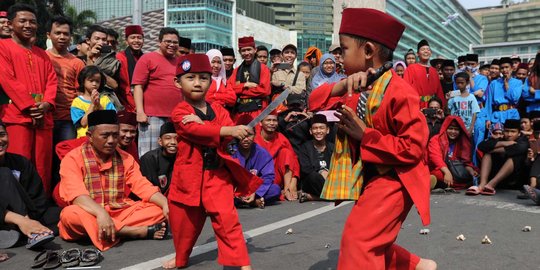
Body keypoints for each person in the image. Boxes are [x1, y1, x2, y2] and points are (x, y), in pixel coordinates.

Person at [308, 8, 435, 269]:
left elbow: (413, 148)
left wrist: (365, 136)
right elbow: (313, 102)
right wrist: (341, 85)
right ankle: (418, 266)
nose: (338, 57)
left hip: (396, 179)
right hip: (371, 178)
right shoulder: (356, 86)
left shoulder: (400, 91)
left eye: (343, 49)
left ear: (367, 51)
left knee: (359, 241)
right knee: (370, 240)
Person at [167, 53, 260, 269]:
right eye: (191, 78)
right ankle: (181, 258)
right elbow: (194, 130)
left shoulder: (218, 109)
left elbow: (226, 132)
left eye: (204, 78)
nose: (198, 83)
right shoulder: (180, 111)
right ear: (177, 83)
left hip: (216, 175)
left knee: (227, 219)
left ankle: (242, 264)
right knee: (184, 225)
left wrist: (233, 131)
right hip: (189, 177)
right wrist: (221, 128)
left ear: (211, 80)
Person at [57, 110, 169, 251]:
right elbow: (77, 195)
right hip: (89, 212)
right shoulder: (73, 158)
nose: (111, 141)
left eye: (115, 135)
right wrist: (101, 213)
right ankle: (131, 231)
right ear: (90, 136)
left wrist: (165, 204)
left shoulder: (125, 157)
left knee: (158, 209)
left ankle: (105, 230)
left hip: (119, 210)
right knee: (70, 214)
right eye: (105, 135)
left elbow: (142, 185)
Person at [0, 4, 58, 195]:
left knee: (42, 165)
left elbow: (52, 80)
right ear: (10, 24)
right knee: (18, 162)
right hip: (17, 116)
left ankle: (41, 206)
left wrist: (47, 103)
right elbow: (6, 79)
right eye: (23, 21)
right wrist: (30, 106)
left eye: (32, 22)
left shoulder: (42, 53)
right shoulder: (2, 47)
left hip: (43, 116)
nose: (28, 25)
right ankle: (18, 208)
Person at [0, 121, 60, 249]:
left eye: (2, 134)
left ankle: (27, 231)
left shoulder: (20, 162)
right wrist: (22, 220)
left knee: (62, 215)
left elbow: (37, 198)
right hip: (4, 218)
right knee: (4, 173)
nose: (0, 141)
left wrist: (32, 219)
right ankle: (31, 230)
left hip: (27, 214)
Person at [132, 27, 181, 157]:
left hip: (175, 116)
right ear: (159, 42)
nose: (172, 45)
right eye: (168, 41)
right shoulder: (147, 58)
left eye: (175, 42)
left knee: (173, 153)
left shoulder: (180, 62)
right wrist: (140, 111)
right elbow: (138, 86)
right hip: (151, 116)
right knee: (149, 154)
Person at [469, 119, 529, 195]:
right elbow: (481, 146)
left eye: (513, 132)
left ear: (519, 133)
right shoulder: (501, 139)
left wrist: (494, 150)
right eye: (507, 131)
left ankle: (491, 184)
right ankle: (482, 184)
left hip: (515, 180)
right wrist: (503, 143)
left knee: (515, 157)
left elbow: (519, 149)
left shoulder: (523, 140)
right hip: (497, 176)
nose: (509, 134)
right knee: (487, 154)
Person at [255, 113, 301, 201]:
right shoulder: (254, 137)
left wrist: (293, 183)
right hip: (258, 175)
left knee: (286, 152)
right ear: (260, 123)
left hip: (275, 175)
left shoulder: (281, 137)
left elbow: (293, 159)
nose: (272, 123)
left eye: (274, 120)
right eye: (268, 120)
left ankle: (287, 189)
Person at [232, 131, 281, 208]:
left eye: (249, 135)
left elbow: (268, 176)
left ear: (255, 135)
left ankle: (250, 201)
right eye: (242, 135)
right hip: (234, 189)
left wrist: (256, 193)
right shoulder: (231, 151)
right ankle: (253, 202)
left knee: (275, 190)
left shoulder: (262, 152)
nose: (246, 139)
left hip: (253, 189)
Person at [229, 36, 271, 124]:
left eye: (249, 49)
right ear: (239, 52)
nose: (246, 53)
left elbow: (265, 90)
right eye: (243, 50)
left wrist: (240, 91)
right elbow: (230, 89)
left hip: (258, 110)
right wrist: (245, 85)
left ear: (255, 50)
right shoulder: (236, 70)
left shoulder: (263, 68)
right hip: (239, 111)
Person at [428, 116, 477, 191]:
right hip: (441, 170)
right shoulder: (436, 139)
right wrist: (447, 172)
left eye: (456, 129)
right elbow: (435, 157)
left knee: (473, 175)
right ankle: (433, 181)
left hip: (455, 171)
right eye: (450, 128)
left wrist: (471, 172)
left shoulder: (462, 141)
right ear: (445, 128)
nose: (453, 132)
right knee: (439, 174)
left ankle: (438, 184)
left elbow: (465, 162)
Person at [84, 25, 125, 110]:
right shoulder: (79, 59)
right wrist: (89, 57)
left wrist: (93, 64)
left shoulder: (111, 60)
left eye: (104, 40)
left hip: (107, 103)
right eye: (97, 39)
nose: (101, 42)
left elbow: (114, 85)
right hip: (85, 103)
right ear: (88, 40)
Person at [71, 65, 116, 138]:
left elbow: (112, 119)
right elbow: (83, 123)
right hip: (84, 138)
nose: (94, 84)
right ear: (83, 81)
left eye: (97, 81)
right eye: (91, 81)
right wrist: (92, 105)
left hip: (103, 139)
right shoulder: (77, 102)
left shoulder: (105, 99)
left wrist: (99, 106)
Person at [298, 114, 334, 203]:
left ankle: (311, 197)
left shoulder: (333, 147)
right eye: (315, 128)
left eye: (322, 128)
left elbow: (338, 165)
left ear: (327, 130)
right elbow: (305, 169)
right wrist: (321, 172)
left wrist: (328, 173)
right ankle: (334, 195)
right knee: (313, 177)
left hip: (331, 179)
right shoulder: (305, 147)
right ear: (310, 131)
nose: (318, 131)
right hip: (313, 182)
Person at [403, 39, 446, 109]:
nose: (426, 51)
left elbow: (439, 92)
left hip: (433, 107)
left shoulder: (434, 71)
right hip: (416, 106)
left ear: (431, 53)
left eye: (428, 50)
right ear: (417, 54)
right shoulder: (411, 68)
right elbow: (406, 89)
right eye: (423, 49)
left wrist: (442, 107)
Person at [139, 121, 177, 196]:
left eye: (177, 138)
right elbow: (148, 188)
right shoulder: (149, 158)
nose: (173, 142)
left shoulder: (181, 158)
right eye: (168, 138)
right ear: (160, 141)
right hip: (154, 198)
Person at [484, 57, 522, 128]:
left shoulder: (518, 82)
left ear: (512, 68)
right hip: (497, 115)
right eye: (502, 68)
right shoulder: (494, 83)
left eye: (507, 67)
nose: (504, 70)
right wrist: (488, 119)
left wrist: (507, 85)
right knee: (496, 137)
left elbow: (515, 99)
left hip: (512, 114)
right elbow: (488, 103)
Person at [116, 25, 144, 113]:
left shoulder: (146, 58)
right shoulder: (120, 57)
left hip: (144, 104)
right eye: (132, 38)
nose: (136, 40)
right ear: (126, 41)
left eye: (139, 38)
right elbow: (123, 85)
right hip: (125, 104)